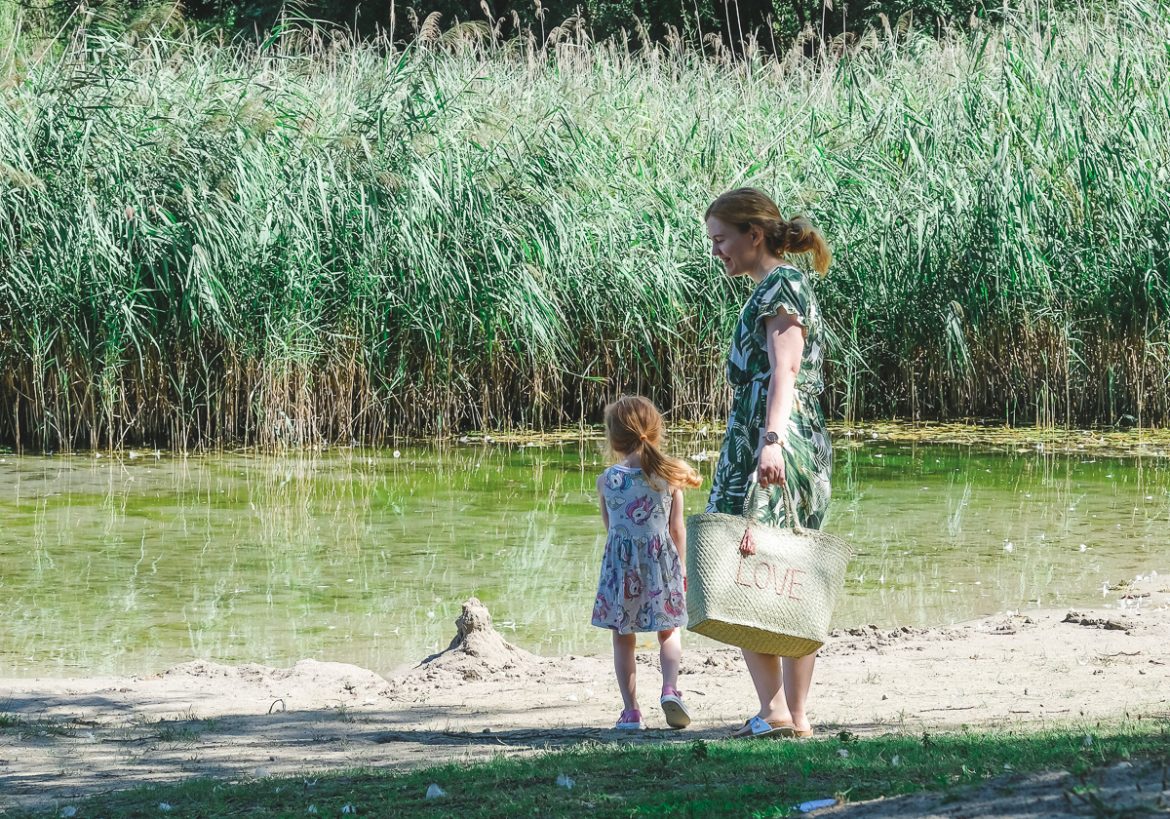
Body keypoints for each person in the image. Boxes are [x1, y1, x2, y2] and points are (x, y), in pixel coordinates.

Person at [704, 187, 833, 739]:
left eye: (722, 240)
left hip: (774, 441)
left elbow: (787, 370)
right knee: (783, 575)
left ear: (753, 235)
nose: (717, 252)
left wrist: (773, 441)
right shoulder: (775, 287)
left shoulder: (781, 286)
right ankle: (789, 714)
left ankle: (780, 711)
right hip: (764, 439)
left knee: (754, 571)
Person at [592, 395, 703, 730]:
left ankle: (631, 712)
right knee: (669, 632)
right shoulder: (668, 478)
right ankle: (670, 688)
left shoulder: (607, 480)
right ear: (655, 433)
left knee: (622, 637)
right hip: (662, 566)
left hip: (621, 568)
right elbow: (677, 529)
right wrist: (681, 569)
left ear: (614, 439)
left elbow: (611, 529)